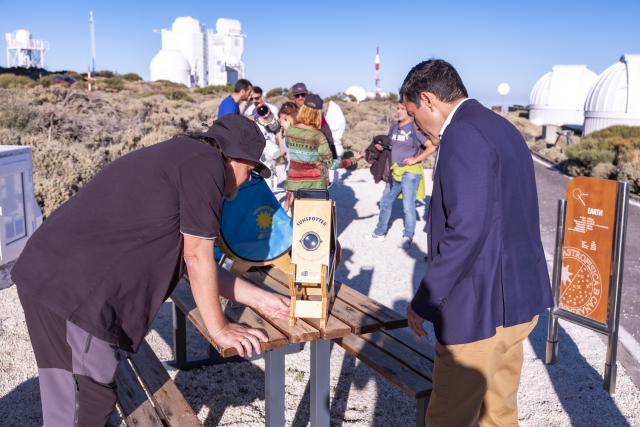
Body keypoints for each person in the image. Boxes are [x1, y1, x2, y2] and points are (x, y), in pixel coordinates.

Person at [11, 115, 291, 426]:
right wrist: (220, 329)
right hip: (73, 293)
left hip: (51, 275)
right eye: (249, 171)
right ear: (234, 156)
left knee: (73, 394)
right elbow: (198, 256)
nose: (242, 184)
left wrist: (261, 299)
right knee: (85, 400)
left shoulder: (183, 156)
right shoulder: (207, 165)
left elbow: (192, 262)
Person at [402, 59, 553, 426]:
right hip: (517, 302)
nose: (416, 126)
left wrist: (425, 300)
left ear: (428, 100)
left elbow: (465, 231)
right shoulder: (501, 127)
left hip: (478, 311)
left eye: (413, 114)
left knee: (449, 418)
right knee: (499, 413)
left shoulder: (462, 135)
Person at [367, 102, 437, 248]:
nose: (398, 111)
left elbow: (431, 147)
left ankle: (407, 236)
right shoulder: (393, 126)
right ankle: (379, 233)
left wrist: (415, 159)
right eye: (397, 108)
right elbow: (389, 144)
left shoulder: (414, 128)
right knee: (385, 202)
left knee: (408, 206)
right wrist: (381, 147)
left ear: (409, 112)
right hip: (394, 171)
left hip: (410, 173)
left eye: (402, 109)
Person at [283, 94, 362, 209]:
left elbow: (290, 149)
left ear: (303, 110)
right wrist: (353, 160)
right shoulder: (319, 136)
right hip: (315, 186)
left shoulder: (290, 131)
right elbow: (332, 164)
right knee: (317, 223)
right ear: (318, 114)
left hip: (294, 186)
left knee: (299, 224)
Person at [290, 82, 338, 159]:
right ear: (293, 98)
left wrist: (333, 154)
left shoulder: (316, 113)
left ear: (307, 95)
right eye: (297, 95)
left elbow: (327, 132)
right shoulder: (289, 113)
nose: (300, 97)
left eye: (303, 95)